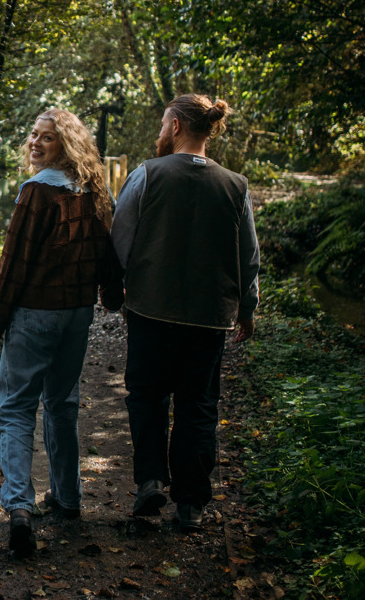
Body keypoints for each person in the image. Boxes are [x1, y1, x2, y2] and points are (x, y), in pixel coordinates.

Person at [110, 93, 259, 531]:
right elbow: (248, 257)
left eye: (161, 125)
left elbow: (121, 239)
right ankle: (191, 503)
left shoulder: (146, 175)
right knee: (198, 405)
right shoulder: (236, 186)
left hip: (150, 311)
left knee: (147, 396)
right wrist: (247, 309)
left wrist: (118, 289)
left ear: (175, 126)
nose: (159, 133)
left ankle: (151, 480)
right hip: (209, 318)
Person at [0, 108, 123, 557]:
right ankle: (68, 498)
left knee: (16, 407)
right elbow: (109, 252)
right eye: (33, 134)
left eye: (47, 138)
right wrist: (111, 295)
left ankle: (20, 507)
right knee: (62, 402)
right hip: (77, 314)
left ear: (68, 145)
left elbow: (13, 265)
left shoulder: (36, 192)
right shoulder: (93, 190)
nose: (35, 143)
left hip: (36, 313)